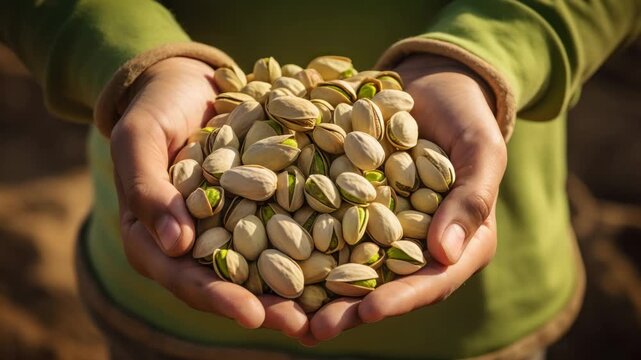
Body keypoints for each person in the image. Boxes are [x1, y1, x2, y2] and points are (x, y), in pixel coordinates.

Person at [2, 0, 639, 358]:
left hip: (480, 316)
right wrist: (134, 62)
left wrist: (499, 52)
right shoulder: (238, 162)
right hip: (173, 307)